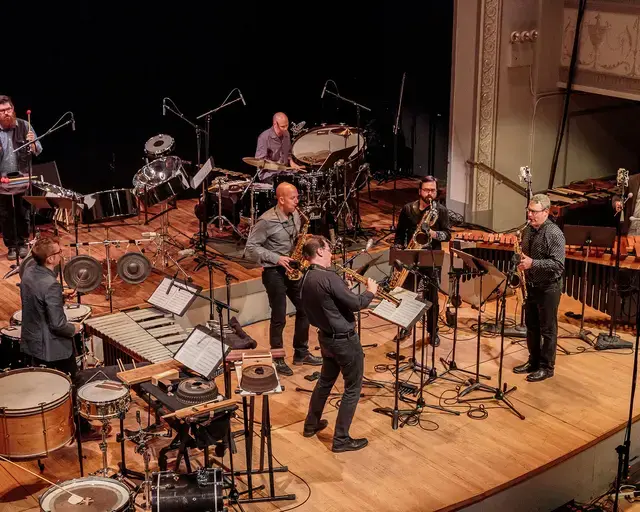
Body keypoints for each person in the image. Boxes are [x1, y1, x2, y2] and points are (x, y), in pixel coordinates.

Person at [19, 237, 102, 439]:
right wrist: (75, 328)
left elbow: (37, 300)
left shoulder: (29, 273)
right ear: (49, 259)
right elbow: (57, 325)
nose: (61, 254)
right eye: (58, 252)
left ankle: (50, 427)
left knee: (45, 387)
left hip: (32, 340)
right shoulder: (50, 285)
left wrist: (60, 297)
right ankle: (80, 429)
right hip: (52, 348)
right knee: (71, 386)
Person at [300, 235, 376, 452]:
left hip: (325, 338)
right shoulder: (330, 277)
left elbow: (329, 303)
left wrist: (344, 289)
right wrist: (370, 290)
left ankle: (311, 424)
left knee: (325, 381)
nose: (331, 253)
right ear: (321, 251)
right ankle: (341, 439)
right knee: (352, 388)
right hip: (344, 341)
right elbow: (357, 304)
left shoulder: (306, 277)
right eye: (329, 249)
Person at [244, 181, 322, 375]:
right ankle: (278, 358)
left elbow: (295, 239)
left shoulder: (296, 214)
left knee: (305, 308)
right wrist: (277, 258)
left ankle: (301, 353)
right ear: (281, 199)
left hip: (293, 270)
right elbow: (250, 249)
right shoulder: (266, 221)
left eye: (297, 197)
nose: (297, 201)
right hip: (274, 272)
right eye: (293, 198)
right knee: (279, 317)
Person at [513, 194, 565, 382]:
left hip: (549, 287)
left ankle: (547, 367)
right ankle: (533, 361)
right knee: (532, 327)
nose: (529, 215)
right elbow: (525, 256)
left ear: (546, 212)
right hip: (531, 286)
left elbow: (558, 265)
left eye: (534, 212)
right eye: (528, 210)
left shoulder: (554, 233)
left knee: (548, 329)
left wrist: (532, 263)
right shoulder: (528, 230)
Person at [393, 175, 451, 345]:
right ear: (420, 191)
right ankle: (406, 325)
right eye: (426, 190)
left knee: (432, 297)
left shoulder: (441, 211)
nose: (429, 194)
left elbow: (447, 235)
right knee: (406, 295)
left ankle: (433, 332)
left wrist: (432, 234)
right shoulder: (408, 209)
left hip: (431, 257)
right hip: (410, 256)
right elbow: (399, 235)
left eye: (432, 190)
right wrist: (398, 250)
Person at [0, 95, 42, 260]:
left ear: (13, 109)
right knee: (5, 215)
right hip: (2, 180)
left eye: (8, 109)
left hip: (22, 178)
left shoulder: (25, 125)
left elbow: (38, 149)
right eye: (2, 111)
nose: (7, 113)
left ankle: (23, 243)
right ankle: (11, 246)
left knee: (22, 212)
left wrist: (32, 143)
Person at [255, 112, 303, 182]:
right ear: (275, 124)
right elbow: (260, 161)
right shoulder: (264, 137)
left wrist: (292, 163)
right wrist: (275, 165)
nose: (286, 129)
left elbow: (288, 153)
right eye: (283, 126)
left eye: (287, 125)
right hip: (269, 173)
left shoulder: (286, 133)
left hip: (284, 171)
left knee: (301, 180)